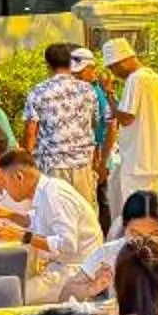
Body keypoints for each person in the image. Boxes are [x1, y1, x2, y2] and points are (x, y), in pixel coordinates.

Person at [0, 146, 100, 299]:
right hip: (61, 266)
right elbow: (35, 222)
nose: (5, 190)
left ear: (19, 177)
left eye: (5, 183)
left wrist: (23, 237)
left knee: (12, 296)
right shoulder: (44, 190)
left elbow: (67, 245)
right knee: (9, 280)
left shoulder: (54, 195)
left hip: (78, 273)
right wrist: (8, 215)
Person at [21, 44, 107, 207]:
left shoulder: (38, 91)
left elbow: (30, 132)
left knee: (55, 214)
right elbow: (94, 123)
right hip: (82, 163)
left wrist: (27, 156)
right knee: (85, 213)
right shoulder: (88, 90)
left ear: (48, 65)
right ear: (70, 62)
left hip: (51, 165)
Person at [102, 37, 158, 221]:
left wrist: (108, 93)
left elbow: (125, 118)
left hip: (137, 161)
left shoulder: (136, 79)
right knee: (151, 215)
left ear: (123, 60)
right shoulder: (156, 79)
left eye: (113, 68)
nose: (114, 73)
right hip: (154, 161)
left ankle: (137, 249)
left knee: (134, 217)